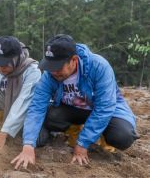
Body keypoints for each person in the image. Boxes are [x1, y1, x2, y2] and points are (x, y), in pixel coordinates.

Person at [12, 34, 138, 169]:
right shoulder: (49, 75)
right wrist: (28, 145)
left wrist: (82, 144)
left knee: (123, 137)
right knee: (50, 117)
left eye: (58, 67)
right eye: (50, 66)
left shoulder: (99, 66)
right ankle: (75, 130)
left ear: (74, 60)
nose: (53, 72)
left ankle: (99, 135)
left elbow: (105, 107)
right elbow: (37, 107)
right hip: (73, 110)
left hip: (105, 111)